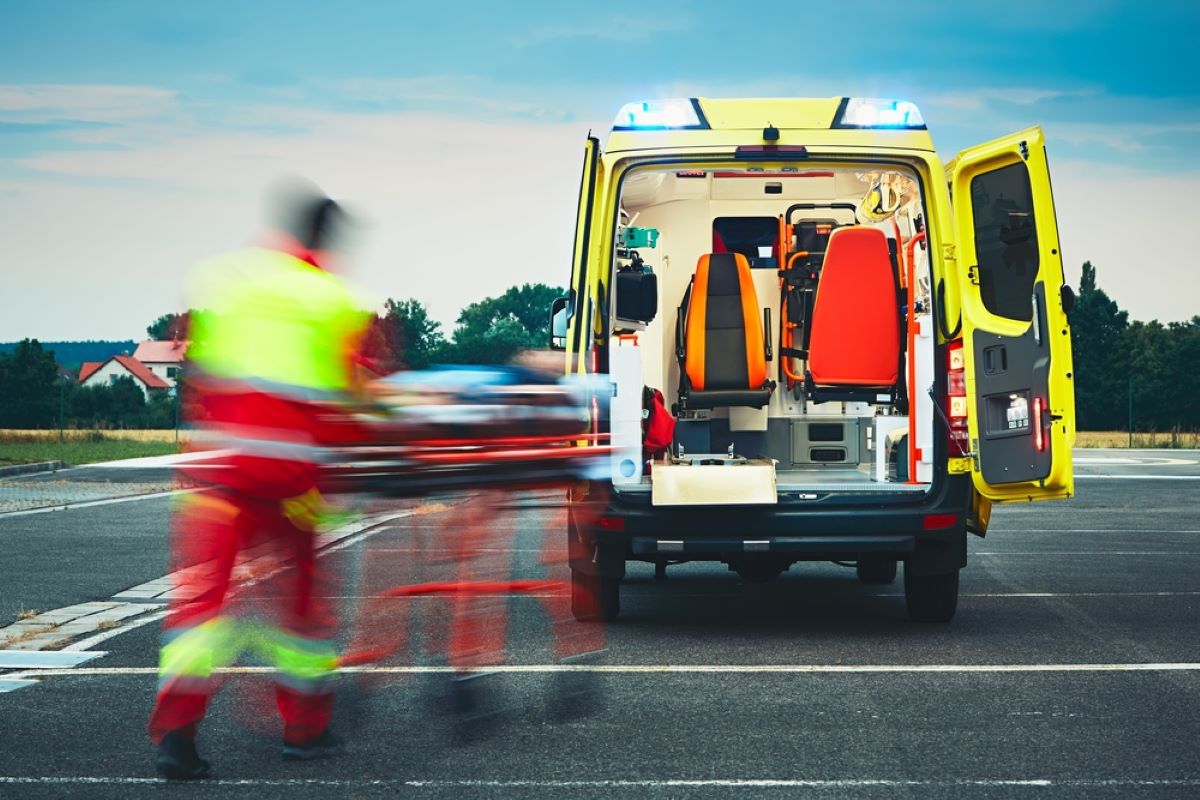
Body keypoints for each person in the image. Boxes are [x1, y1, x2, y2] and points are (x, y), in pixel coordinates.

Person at [148, 180, 372, 780]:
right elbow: (348, 402)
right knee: (301, 614)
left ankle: (176, 735)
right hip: (290, 480)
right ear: (327, 239)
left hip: (221, 473)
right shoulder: (332, 302)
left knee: (201, 611)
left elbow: (201, 372)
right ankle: (304, 731)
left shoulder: (226, 281)